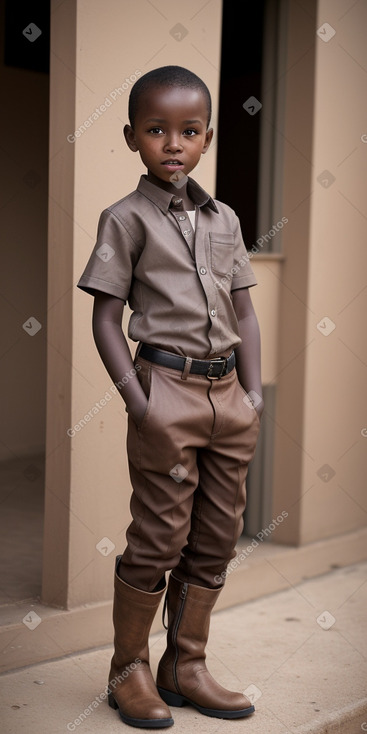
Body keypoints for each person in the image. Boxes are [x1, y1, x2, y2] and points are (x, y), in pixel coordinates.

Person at [77, 65, 263, 729]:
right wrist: (137, 398)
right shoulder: (125, 219)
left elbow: (243, 314)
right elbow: (104, 317)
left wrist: (253, 392)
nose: (173, 144)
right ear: (133, 137)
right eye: (157, 130)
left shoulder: (226, 220)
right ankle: (127, 667)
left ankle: (186, 665)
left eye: (187, 131)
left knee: (217, 536)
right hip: (166, 391)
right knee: (159, 535)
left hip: (227, 399)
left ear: (207, 138)